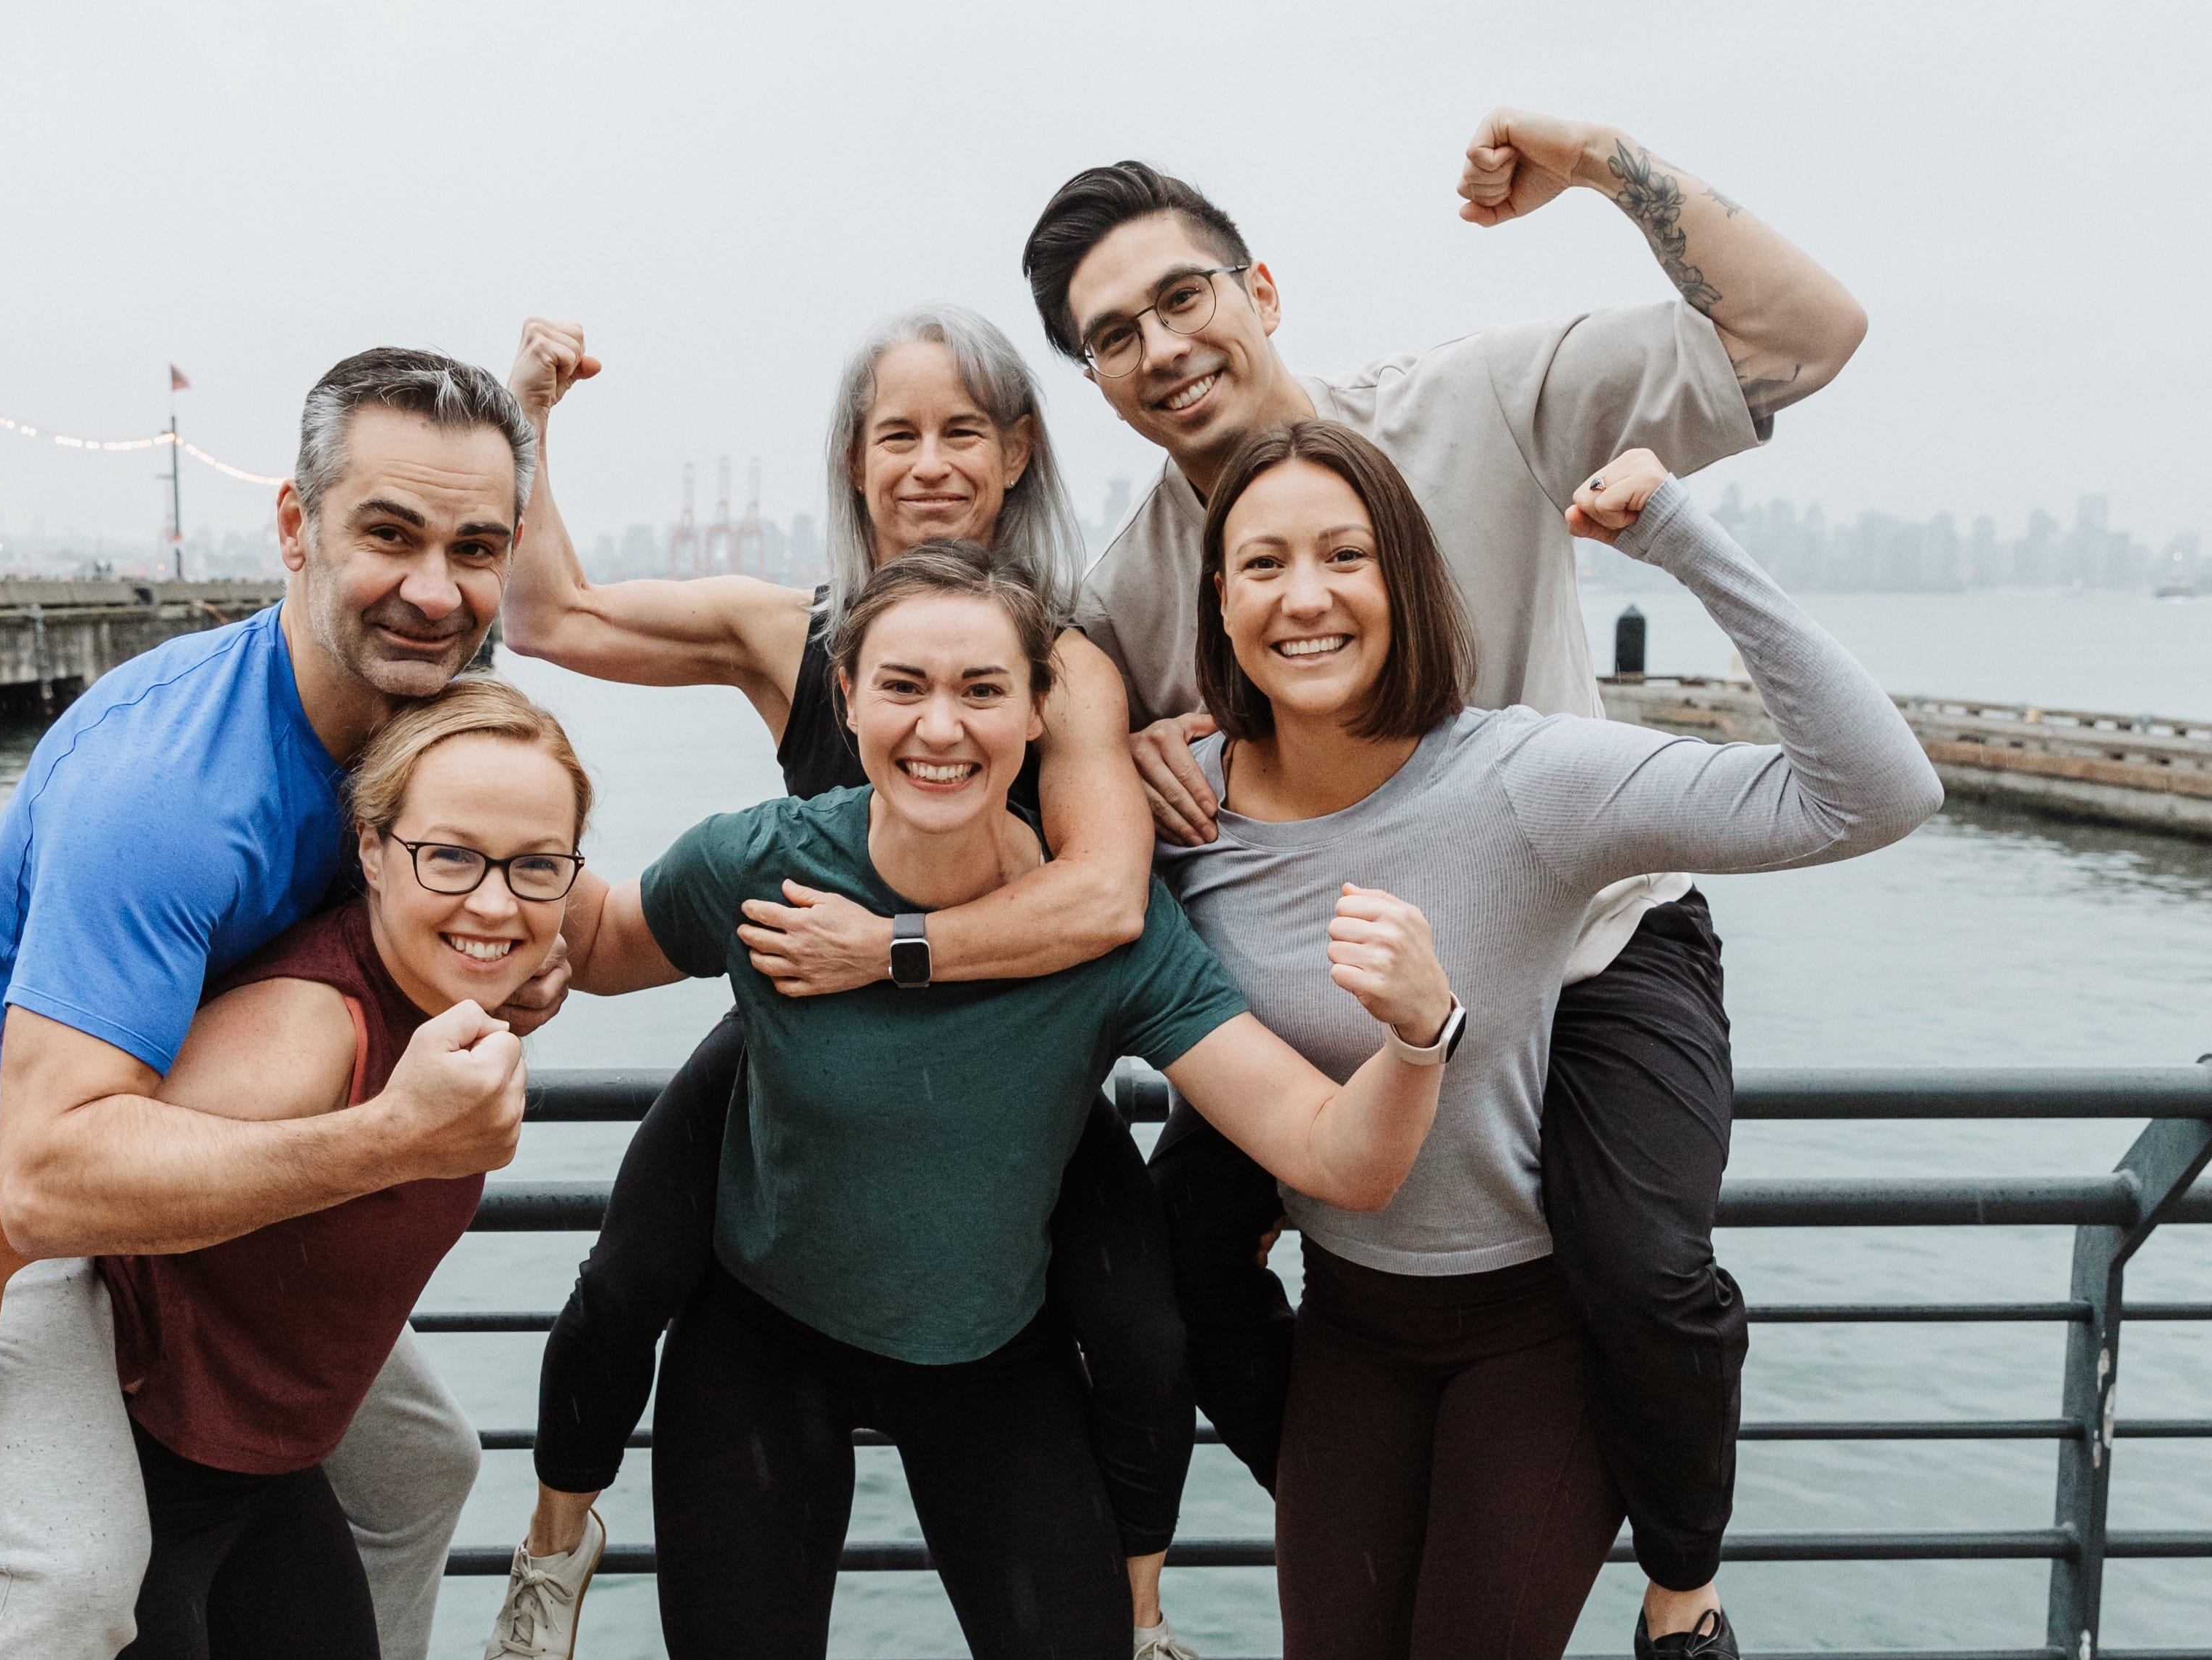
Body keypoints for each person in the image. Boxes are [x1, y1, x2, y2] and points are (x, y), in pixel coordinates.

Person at [1015, 111, 1871, 1654]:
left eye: (1184, 295)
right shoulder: (1129, 591)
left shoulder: (1483, 397)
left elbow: (1808, 336)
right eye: (1113, 335)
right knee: (1167, 1264)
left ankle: (1683, 1596)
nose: (1162, 346)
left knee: (1643, 1264)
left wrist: (1606, 167)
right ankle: (1398, 1501)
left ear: (1261, 288)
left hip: (1597, 941)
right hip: (1353, 977)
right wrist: (1132, 761)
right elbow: (1045, 791)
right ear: (1095, 380)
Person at [0, 348, 570, 1660]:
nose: (435, 591)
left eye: (474, 547)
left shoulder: (422, 737)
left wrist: (879, 928)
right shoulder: (164, 794)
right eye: (389, 533)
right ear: (292, 527)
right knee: (70, 1575)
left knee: (418, 1466)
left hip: (154, 1158)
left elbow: (569, 904)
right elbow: (33, 1190)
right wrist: (399, 1139)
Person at [554, 538, 1462, 1660]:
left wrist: (1421, 1037)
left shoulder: (1111, 937)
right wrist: (459, 836)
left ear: (1041, 711)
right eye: (904, 687)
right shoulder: (760, 865)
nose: (942, 728)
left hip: (988, 1364)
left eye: (983, 690)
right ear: (845, 696)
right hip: (759, 1351)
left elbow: (1340, 1160)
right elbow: (592, 946)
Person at [490, 309, 1208, 1659]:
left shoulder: (1063, 660)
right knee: (632, 1271)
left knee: (1141, 1330)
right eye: (897, 434)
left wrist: (890, 951)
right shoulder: (788, 632)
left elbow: (1107, 897)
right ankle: (550, 1544)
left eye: (959, 433)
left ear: (1014, 453)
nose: (928, 462)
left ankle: (1141, 1611)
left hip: (1004, 1053)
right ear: (854, 460)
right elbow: (546, 616)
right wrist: (531, 419)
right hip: (804, 1037)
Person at [1160, 422, 1938, 1659]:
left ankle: (1685, 1586)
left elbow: (1874, 792)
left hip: (1534, 1336)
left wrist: (1680, 538)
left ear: (1402, 580)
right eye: (1261, 564)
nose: (1302, 596)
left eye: (1343, 555)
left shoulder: (1519, 780)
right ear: (1219, 597)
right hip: (1343, 1326)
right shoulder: (1176, 812)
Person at [0, 679, 591, 1660]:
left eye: (536, 866)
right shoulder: (305, 1034)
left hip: (259, 1478)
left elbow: (639, 925)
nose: (496, 902)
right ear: (372, 852)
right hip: (145, 1485)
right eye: (453, 857)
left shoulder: (452, 991)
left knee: (428, 1471)